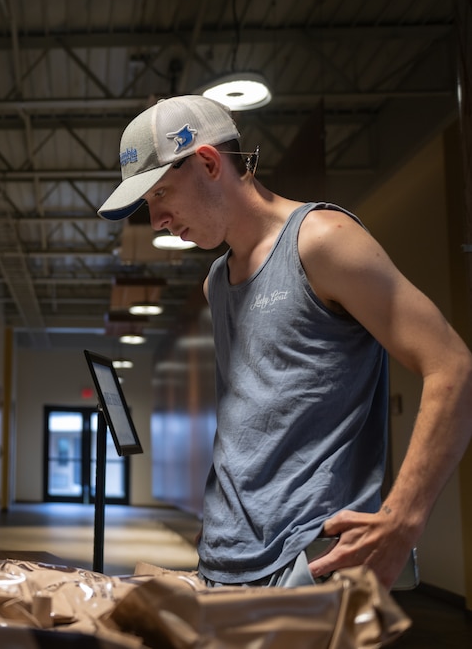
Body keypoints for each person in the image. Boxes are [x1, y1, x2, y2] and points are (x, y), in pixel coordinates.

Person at [98, 94, 472, 589]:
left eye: (161, 194)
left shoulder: (322, 241)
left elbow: (452, 366)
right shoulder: (216, 283)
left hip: (306, 563)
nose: (157, 221)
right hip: (222, 561)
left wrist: (403, 517)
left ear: (209, 163)